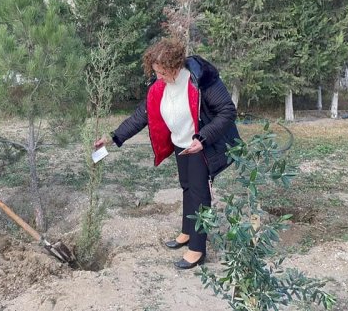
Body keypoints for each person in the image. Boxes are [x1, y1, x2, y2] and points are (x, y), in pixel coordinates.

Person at [94, 38, 240, 269]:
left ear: (175, 66)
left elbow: (227, 111)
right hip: (181, 144)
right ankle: (187, 232)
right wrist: (113, 137)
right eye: (156, 72)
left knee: (200, 194)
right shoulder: (160, 86)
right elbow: (141, 116)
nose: (158, 77)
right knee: (187, 187)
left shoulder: (201, 78)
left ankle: (198, 249)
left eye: (162, 72)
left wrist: (203, 138)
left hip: (202, 143)